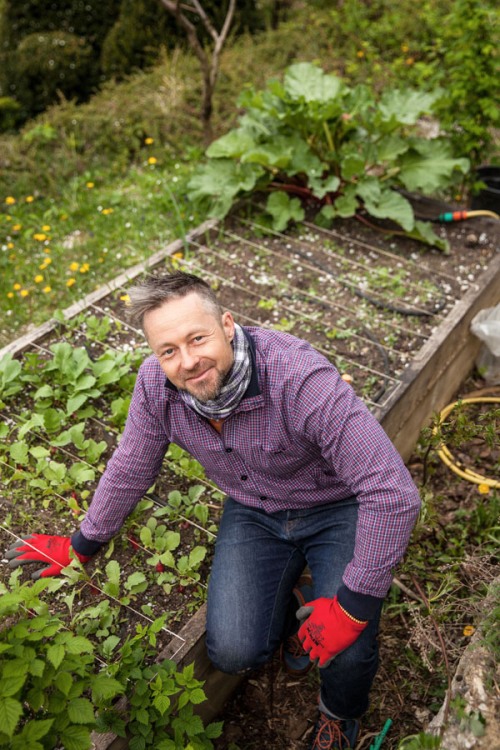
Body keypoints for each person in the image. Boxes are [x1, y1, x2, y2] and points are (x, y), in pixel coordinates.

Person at [6, 271, 421, 749]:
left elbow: (391, 493)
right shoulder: (157, 389)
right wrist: (84, 543)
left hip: (336, 505)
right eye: (168, 351)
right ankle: (298, 609)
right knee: (232, 649)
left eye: (197, 338)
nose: (187, 361)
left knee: (348, 649)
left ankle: (339, 713)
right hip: (255, 509)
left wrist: (354, 605)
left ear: (227, 324)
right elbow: (131, 466)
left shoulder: (300, 380)